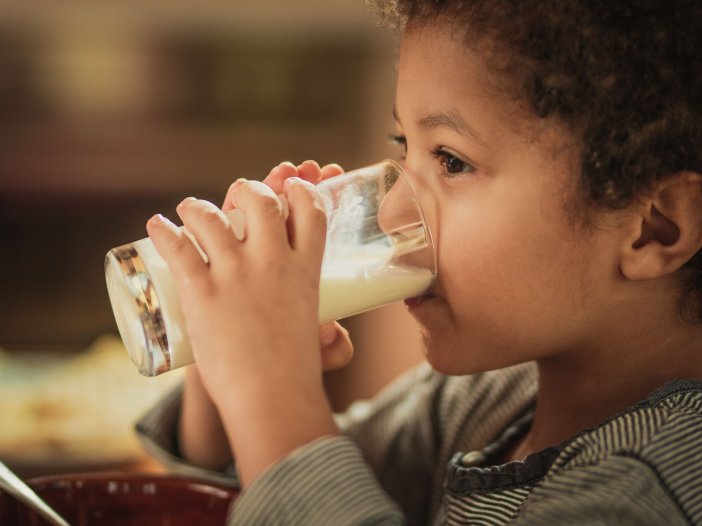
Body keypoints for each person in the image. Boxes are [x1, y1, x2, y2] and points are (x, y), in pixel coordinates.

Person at [136, 0, 702, 524]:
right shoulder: (480, 404)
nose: (390, 212)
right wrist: (228, 366)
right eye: (400, 143)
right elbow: (258, 493)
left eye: (451, 161)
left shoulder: (652, 488)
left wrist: (268, 390)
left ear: (654, 228)